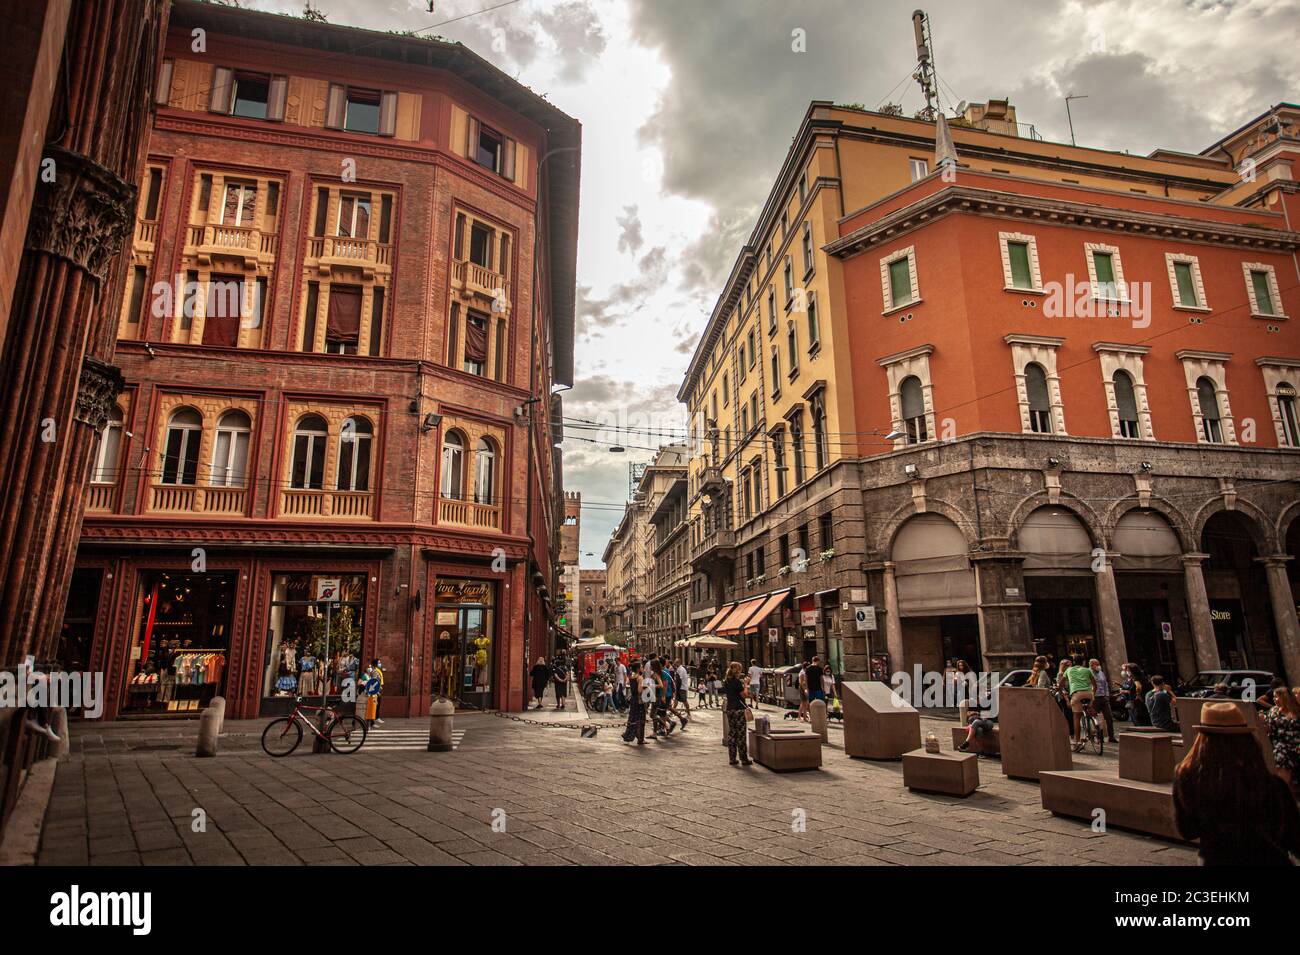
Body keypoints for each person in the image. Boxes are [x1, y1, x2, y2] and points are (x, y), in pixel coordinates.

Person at [1173, 702, 1300, 866]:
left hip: (1214, 860)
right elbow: (1294, 836)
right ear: (1247, 741)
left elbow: (1187, 831)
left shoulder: (1187, 777)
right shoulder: (1270, 784)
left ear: (1202, 739)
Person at [1264, 685, 1300, 790]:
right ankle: (1285, 791)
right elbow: (1270, 731)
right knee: (1281, 754)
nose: (1274, 699)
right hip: (1282, 745)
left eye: (1276, 697)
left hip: (1297, 743)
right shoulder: (1274, 712)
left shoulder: (1297, 710)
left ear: (1283, 697)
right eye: (1274, 697)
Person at [1059, 654, 1096, 744]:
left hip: (1077, 695)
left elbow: (1061, 684)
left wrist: (1061, 692)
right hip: (1088, 694)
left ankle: (1077, 740)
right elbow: (1095, 685)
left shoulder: (1069, 670)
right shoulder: (1088, 670)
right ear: (1083, 662)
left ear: (1074, 662)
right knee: (1090, 712)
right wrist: (1093, 694)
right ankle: (1094, 731)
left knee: (1076, 717)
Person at [721, 661, 752, 766]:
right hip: (738, 709)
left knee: (732, 734)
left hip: (730, 709)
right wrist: (746, 684)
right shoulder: (737, 682)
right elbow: (744, 695)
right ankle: (744, 759)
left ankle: (732, 758)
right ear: (738, 671)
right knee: (741, 734)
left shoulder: (726, 681)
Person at [1089, 658, 1119, 743]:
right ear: (1091, 665)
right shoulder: (1089, 672)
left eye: (1098, 664)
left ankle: (1111, 736)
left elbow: (1105, 684)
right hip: (1095, 698)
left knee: (1109, 717)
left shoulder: (1101, 673)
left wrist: (1107, 694)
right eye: (1096, 664)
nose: (1098, 666)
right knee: (1095, 719)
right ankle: (1099, 737)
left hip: (1103, 697)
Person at [621, 661, 647, 745]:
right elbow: (640, 690)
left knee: (632, 718)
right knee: (641, 719)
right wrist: (647, 688)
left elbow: (629, 685)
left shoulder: (632, 676)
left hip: (633, 700)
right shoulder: (640, 678)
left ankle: (629, 735)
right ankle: (641, 739)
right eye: (642, 667)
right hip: (639, 700)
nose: (643, 668)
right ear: (638, 669)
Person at [672, 658, 691, 728]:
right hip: (681, 687)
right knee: (676, 700)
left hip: (682, 688)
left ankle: (688, 713)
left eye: (675, 663)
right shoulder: (679, 669)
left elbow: (679, 680)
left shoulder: (680, 669)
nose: (674, 664)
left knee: (684, 701)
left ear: (678, 663)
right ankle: (672, 711)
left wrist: (677, 689)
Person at [369, 658, 385, 724]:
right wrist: (377, 690)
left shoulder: (378, 670)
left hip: (378, 689)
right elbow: (374, 681)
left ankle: (376, 718)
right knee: (375, 705)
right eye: (378, 663)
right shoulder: (374, 671)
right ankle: (373, 720)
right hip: (375, 690)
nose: (380, 664)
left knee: (377, 704)